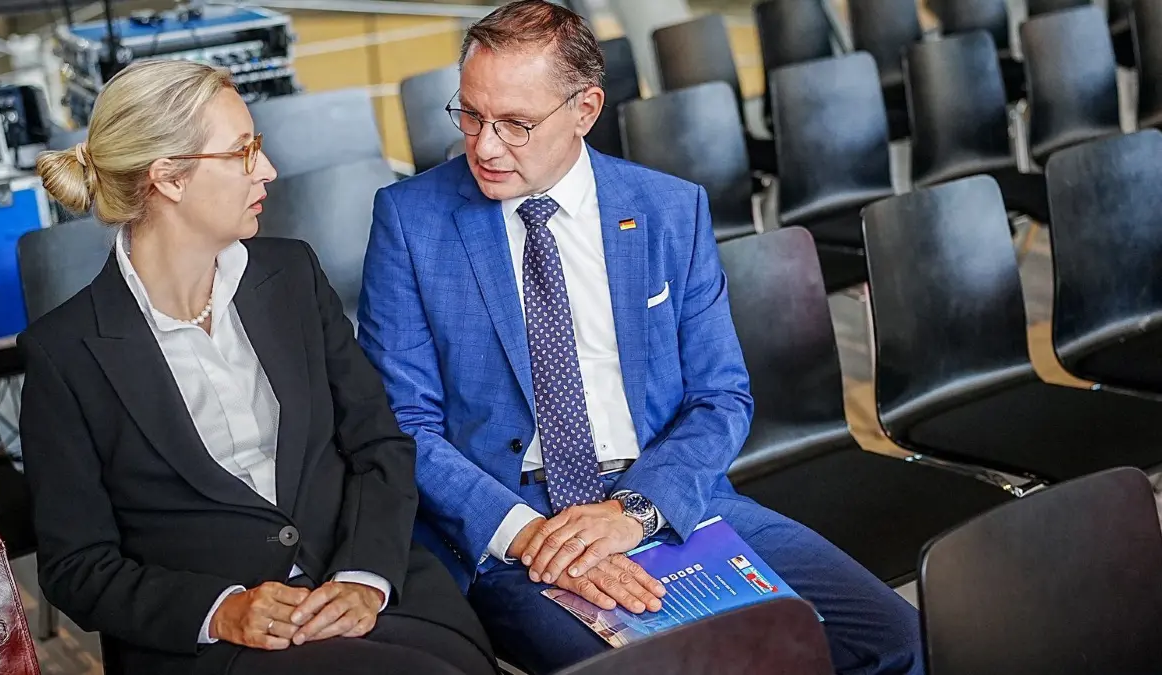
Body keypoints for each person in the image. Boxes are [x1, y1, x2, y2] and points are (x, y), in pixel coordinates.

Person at [357, 2, 924, 674]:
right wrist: (529, 535)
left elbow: (720, 396)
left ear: (585, 109)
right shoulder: (411, 220)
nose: (483, 146)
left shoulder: (668, 208)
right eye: (471, 115)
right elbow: (405, 425)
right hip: (514, 524)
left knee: (898, 639)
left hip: (666, 494)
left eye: (515, 123)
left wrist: (636, 510)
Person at [23, 60, 496, 675]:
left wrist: (364, 576)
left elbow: (378, 443)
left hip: (364, 587)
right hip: (218, 646)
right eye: (243, 151)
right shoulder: (64, 353)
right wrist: (221, 611)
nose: (267, 169)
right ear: (169, 178)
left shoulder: (292, 275)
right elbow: (76, 566)